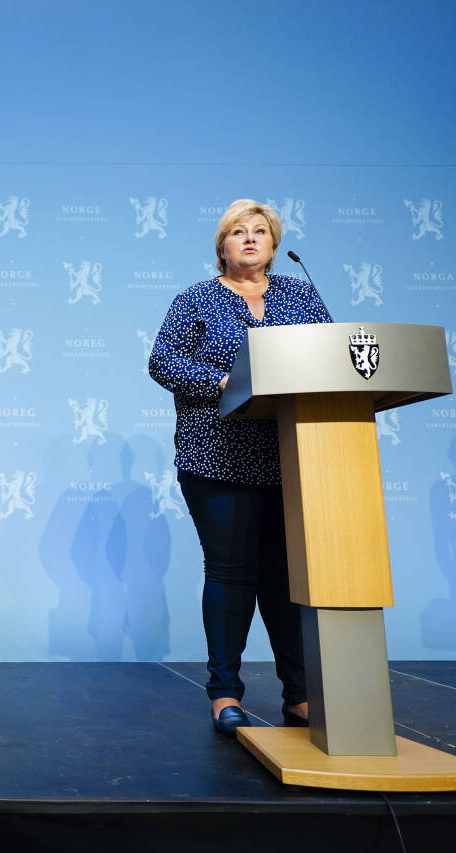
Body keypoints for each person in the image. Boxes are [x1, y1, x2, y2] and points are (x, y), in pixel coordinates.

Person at [147, 198, 331, 736]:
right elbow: (163, 362)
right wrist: (224, 382)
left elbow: (332, 355)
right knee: (231, 573)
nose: (249, 239)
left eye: (260, 232)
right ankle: (224, 691)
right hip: (218, 457)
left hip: (290, 458)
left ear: (274, 245)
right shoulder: (197, 299)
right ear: (222, 247)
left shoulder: (301, 295)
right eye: (237, 233)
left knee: (286, 577)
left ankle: (299, 697)